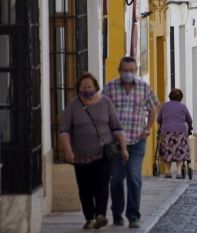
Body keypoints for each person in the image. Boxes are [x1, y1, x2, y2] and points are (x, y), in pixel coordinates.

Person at [59, 73, 129, 229]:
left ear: (96, 87)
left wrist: (123, 149)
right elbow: (64, 131)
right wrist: (68, 151)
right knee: (85, 188)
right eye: (83, 87)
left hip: (102, 154)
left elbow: (117, 127)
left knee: (102, 185)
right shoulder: (73, 105)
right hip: (80, 156)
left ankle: (100, 215)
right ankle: (89, 217)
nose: (87, 89)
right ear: (78, 89)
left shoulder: (105, 103)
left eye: (89, 86)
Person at [102, 57, 160, 228]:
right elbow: (102, 110)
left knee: (134, 177)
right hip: (115, 142)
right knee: (116, 180)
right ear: (119, 70)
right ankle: (117, 212)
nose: (128, 73)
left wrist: (148, 128)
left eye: (132, 70)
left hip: (136, 140)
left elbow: (153, 108)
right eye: (125, 70)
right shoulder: (110, 87)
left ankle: (134, 215)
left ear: (135, 70)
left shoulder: (144, 88)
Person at [157, 89, 193, 179]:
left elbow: (158, 119)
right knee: (180, 150)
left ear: (170, 96)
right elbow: (189, 119)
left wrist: (163, 124)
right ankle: (178, 172)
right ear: (181, 97)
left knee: (168, 150)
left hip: (166, 131)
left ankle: (168, 171)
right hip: (181, 132)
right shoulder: (183, 107)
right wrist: (190, 127)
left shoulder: (164, 106)